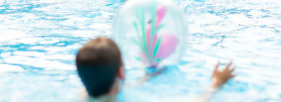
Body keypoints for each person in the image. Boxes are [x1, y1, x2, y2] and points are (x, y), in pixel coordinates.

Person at [76, 37, 236, 101]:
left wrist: (147, 77)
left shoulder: (82, 96)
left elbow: (109, 89)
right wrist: (216, 83)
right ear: (120, 72)